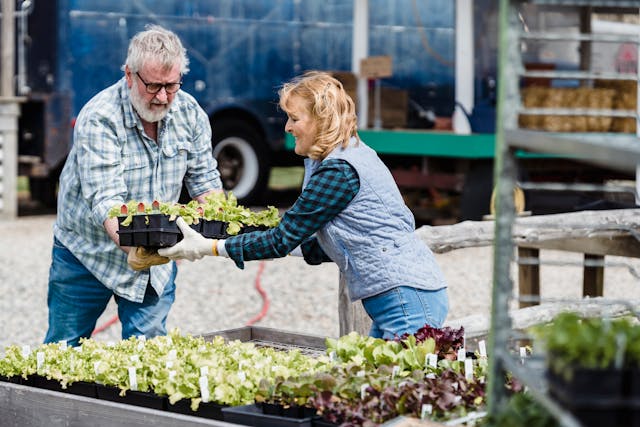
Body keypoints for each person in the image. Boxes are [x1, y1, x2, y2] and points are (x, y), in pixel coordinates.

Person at [157, 71, 448, 339]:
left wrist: (208, 247)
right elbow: (328, 242)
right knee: (371, 387)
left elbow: (282, 239)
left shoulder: (339, 171)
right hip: (404, 297)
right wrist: (240, 236)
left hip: (407, 300)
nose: (287, 127)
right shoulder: (344, 156)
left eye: (294, 119)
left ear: (321, 120)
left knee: (395, 388)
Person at [45, 25, 222, 347]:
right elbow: (107, 201)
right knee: (63, 349)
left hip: (154, 258)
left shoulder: (190, 113)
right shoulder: (100, 116)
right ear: (129, 75)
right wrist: (139, 249)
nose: (164, 97)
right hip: (86, 252)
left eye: (172, 85)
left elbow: (204, 179)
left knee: (148, 353)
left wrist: (210, 232)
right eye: (154, 86)